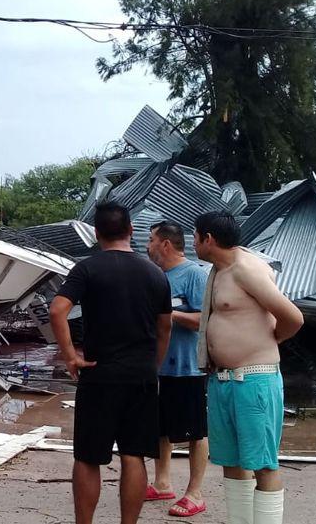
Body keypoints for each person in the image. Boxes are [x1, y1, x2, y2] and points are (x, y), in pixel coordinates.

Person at [49, 201, 172, 524]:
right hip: (141, 376)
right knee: (134, 455)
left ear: (96, 233)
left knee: (89, 458)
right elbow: (165, 327)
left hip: (99, 374)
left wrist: (70, 355)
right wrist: (153, 364)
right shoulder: (155, 273)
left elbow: (57, 310)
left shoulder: (87, 269)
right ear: (131, 231)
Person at [193, 211, 304, 524]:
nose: (193, 243)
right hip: (223, 380)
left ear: (208, 239)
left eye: (195, 236)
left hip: (253, 380)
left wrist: (267, 341)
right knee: (231, 461)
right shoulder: (220, 270)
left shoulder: (246, 269)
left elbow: (293, 318)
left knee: (263, 464)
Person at [145, 220, 209, 517]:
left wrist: (170, 315)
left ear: (166, 244)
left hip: (188, 368)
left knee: (195, 431)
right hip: (159, 367)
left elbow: (203, 320)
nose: (147, 246)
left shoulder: (194, 274)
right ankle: (162, 483)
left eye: (151, 240)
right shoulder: (156, 276)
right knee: (159, 429)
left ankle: (194, 493)